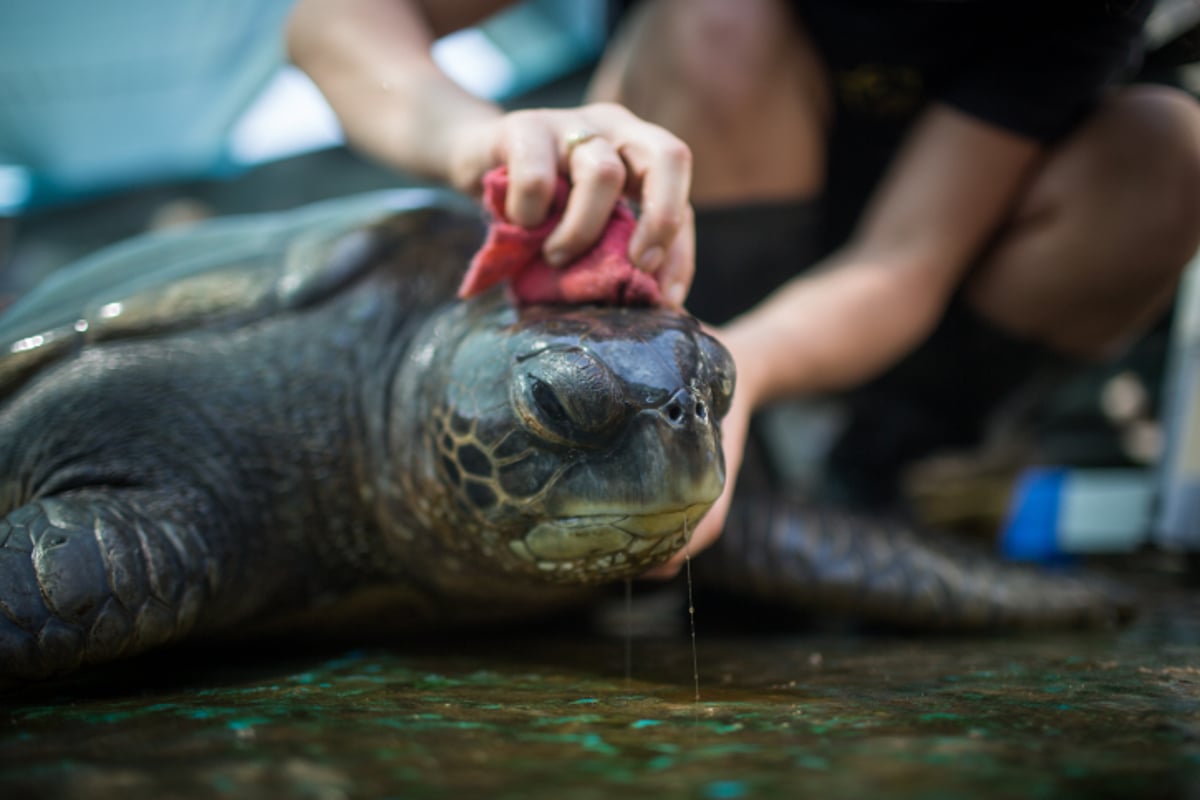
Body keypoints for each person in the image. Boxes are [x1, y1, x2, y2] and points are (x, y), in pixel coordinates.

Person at [287, 0, 1200, 577]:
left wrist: (740, 370)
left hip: (919, 283)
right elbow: (330, 19)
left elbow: (904, 262)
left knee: (1167, 148)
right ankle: (700, 435)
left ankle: (886, 461)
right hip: (687, 250)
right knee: (716, 17)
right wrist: (476, 140)